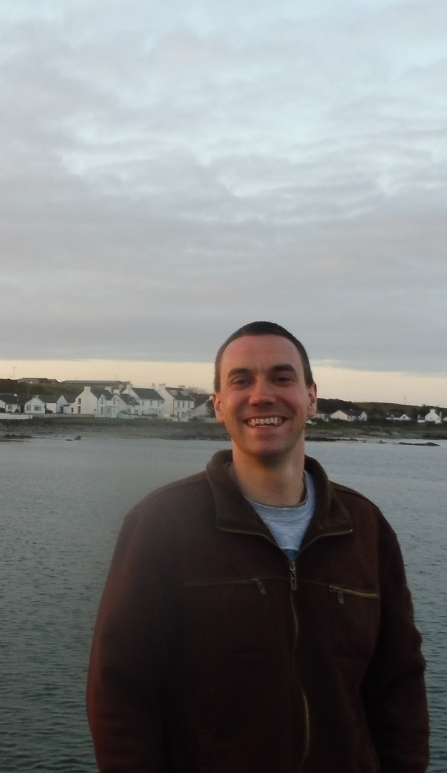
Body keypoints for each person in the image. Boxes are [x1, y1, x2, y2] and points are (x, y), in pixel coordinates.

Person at [86, 321, 428, 772]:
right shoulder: (161, 523)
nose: (261, 395)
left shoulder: (364, 526)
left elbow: (398, 686)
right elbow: (120, 691)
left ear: (311, 396)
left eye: (282, 378)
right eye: (241, 380)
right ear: (219, 405)